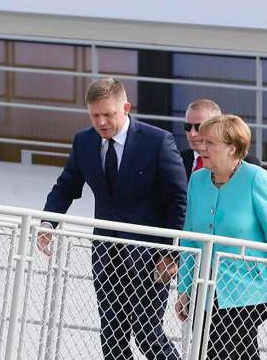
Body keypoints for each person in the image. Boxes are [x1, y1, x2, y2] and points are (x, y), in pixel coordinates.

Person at [38, 78, 187, 360]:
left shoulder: (157, 141)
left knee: (147, 334)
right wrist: (48, 224)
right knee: (111, 337)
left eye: (108, 114)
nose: (102, 122)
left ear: (126, 108)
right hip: (106, 254)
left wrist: (171, 252)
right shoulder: (84, 142)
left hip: (151, 257)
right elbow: (66, 187)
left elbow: (178, 200)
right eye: (95, 115)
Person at [175, 115, 267, 360]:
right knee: (238, 351)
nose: (202, 147)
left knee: (217, 350)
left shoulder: (257, 179)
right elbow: (190, 239)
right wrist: (184, 288)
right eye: (202, 141)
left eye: (210, 143)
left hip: (252, 288)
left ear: (232, 148)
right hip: (208, 287)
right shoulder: (197, 180)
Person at [179, 99, 260, 180]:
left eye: (199, 127)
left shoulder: (250, 167)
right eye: (187, 127)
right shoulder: (178, 159)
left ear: (218, 125)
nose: (192, 134)